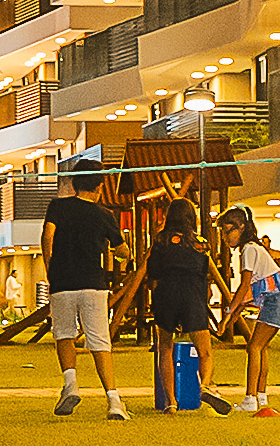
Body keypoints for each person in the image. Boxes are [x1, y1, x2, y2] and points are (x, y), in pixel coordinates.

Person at [43, 162, 129, 420]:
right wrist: (122, 253)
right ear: (99, 187)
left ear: (74, 183)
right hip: (93, 283)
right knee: (100, 341)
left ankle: (70, 385)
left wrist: (50, 268)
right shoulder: (104, 215)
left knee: (64, 334)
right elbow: (122, 250)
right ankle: (113, 400)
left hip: (62, 283)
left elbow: (47, 236)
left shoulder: (57, 207)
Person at [143, 200, 222, 414]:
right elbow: (205, 275)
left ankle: (170, 401)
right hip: (192, 295)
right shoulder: (201, 243)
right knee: (205, 351)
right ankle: (205, 386)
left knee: (165, 348)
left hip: (166, 294)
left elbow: (153, 275)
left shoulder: (160, 241)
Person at [216, 206, 280, 416]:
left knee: (254, 347)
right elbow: (248, 293)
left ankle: (250, 398)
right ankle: (260, 395)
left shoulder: (249, 250)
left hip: (277, 300)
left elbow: (244, 286)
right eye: (223, 232)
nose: (225, 237)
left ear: (241, 227)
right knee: (261, 347)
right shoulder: (254, 248)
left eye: (228, 231)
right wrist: (230, 317)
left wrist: (229, 314)